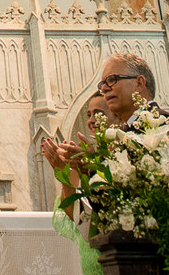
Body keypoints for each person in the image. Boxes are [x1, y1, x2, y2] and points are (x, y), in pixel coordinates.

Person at [43, 92, 114, 275]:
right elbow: (76, 216)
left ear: (116, 115)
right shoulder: (84, 160)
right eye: (88, 114)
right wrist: (62, 172)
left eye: (98, 114)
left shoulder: (121, 158)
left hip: (116, 258)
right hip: (91, 258)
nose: (91, 120)